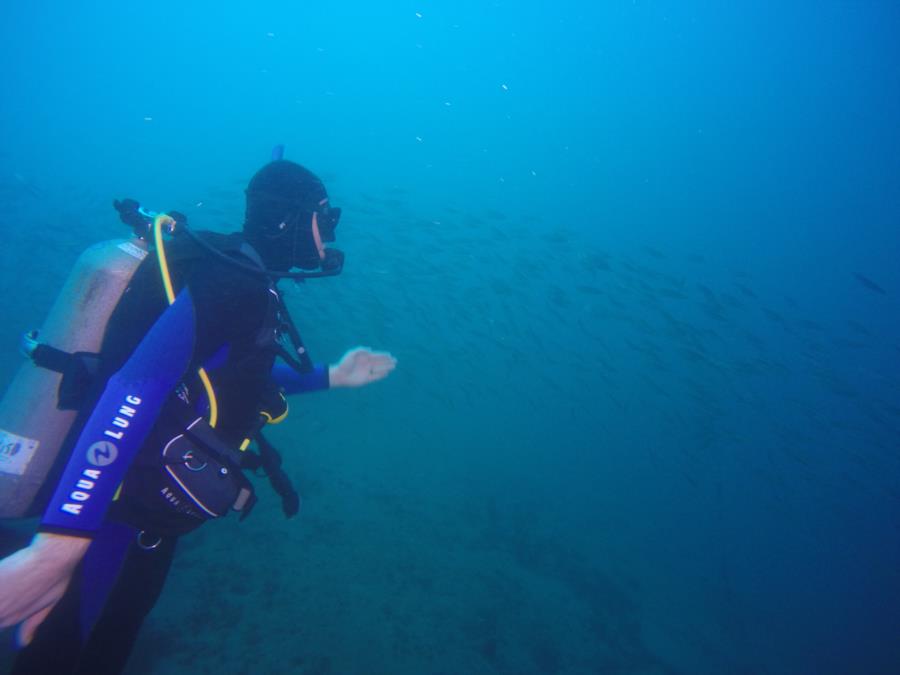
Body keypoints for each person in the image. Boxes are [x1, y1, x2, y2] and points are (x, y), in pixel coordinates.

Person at [0, 155, 396, 674]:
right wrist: (61, 542)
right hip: (116, 520)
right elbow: (137, 383)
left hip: (140, 518)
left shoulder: (249, 280)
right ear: (288, 220)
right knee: (72, 654)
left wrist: (331, 376)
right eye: (325, 214)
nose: (332, 227)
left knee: (100, 642)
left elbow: (230, 378)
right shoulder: (233, 281)